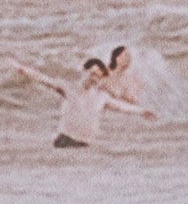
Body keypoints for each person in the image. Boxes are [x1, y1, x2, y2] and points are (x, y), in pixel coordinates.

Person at [9, 56, 157, 148]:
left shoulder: (102, 97)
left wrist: (142, 111)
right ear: (84, 72)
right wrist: (22, 69)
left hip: (85, 145)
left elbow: (121, 107)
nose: (93, 79)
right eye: (92, 74)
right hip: (65, 141)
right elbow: (45, 80)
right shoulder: (69, 89)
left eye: (98, 77)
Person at [105, 45, 150, 111]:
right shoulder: (105, 71)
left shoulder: (131, 78)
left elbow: (133, 100)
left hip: (120, 107)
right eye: (126, 56)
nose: (129, 59)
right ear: (117, 58)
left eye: (129, 56)